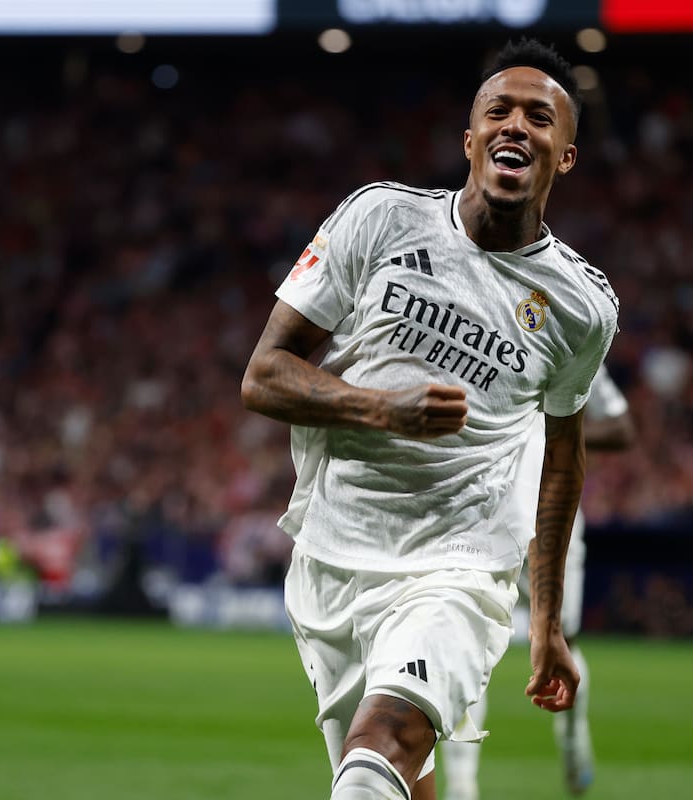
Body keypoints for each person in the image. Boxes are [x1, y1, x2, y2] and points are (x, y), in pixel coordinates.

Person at [241, 39, 619, 800]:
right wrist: (381, 407)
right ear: (470, 140)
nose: (517, 125)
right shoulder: (380, 219)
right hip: (334, 553)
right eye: (498, 111)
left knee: (384, 742)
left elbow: (563, 456)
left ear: (565, 155)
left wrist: (545, 619)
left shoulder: (582, 307)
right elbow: (263, 375)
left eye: (539, 117)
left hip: (464, 563)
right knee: (394, 776)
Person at [441, 367, 635, 799]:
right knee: (465, 639)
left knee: (564, 640)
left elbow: (622, 429)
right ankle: (460, 786)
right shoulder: (474, 330)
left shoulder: (568, 338)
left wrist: (541, 435)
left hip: (552, 515)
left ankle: (572, 743)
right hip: (479, 508)